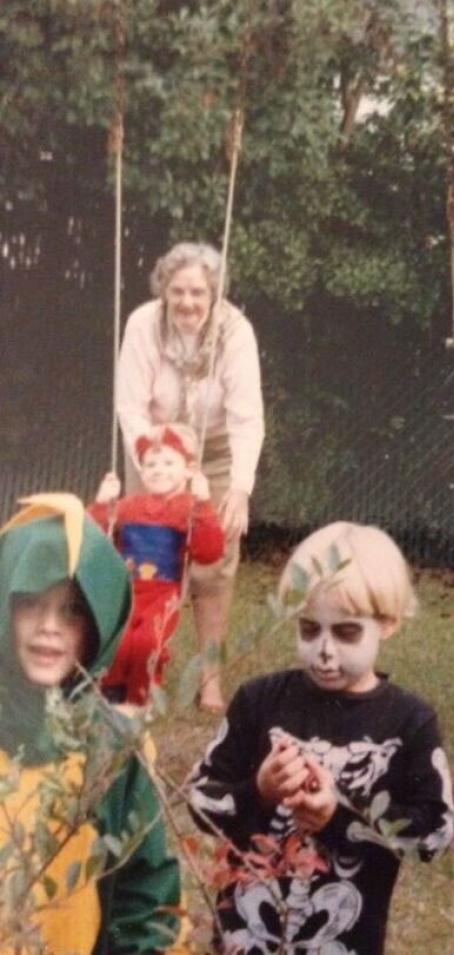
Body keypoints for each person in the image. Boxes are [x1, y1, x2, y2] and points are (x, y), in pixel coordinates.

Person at [187, 521, 454, 954]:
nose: (324, 650)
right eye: (309, 629)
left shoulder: (409, 721)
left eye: (346, 632)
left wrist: (341, 818)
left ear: (386, 624)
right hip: (246, 938)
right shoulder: (259, 701)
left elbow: (436, 832)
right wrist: (258, 791)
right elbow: (199, 798)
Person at [0, 493, 184, 953]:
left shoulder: (113, 746)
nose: (49, 626)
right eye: (31, 604)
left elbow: (145, 898)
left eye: (72, 610)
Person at [117, 241, 265, 712]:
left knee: (213, 563)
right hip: (154, 449)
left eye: (198, 293)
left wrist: (240, 487)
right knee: (146, 557)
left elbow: (247, 418)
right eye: (177, 291)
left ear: (215, 294)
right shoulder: (143, 324)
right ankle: (135, 667)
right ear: (163, 290)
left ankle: (210, 679)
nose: (187, 302)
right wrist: (157, 468)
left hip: (216, 451)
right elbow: (130, 405)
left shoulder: (236, 332)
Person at [88, 423, 225, 705]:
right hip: (125, 591)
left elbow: (209, 552)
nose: (158, 469)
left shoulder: (190, 507)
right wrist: (102, 503)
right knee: (120, 639)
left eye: (168, 462)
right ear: (141, 470)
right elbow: (92, 537)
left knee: (148, 642)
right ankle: (112, 692)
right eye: (150, 464)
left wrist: (204, 503)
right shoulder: (129, 506)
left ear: (189, 469)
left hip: (163, 595)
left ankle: (141, 698)